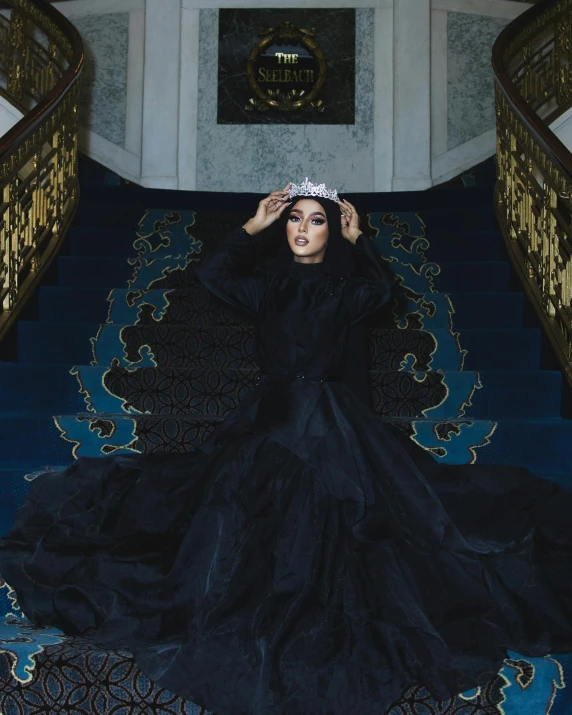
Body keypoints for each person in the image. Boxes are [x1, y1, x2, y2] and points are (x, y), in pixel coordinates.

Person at [1, 178, 572, 715]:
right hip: (270, 414)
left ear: (332, 229)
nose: (302, 228)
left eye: (316, 220)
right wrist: (252, 226)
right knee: (237, 507)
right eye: (295, 219)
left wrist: (359, 240)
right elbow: (210, 274)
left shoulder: (347, 289)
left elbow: (379, 290)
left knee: (356, 515)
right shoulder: (267, 286)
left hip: (329, 416)